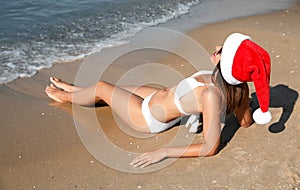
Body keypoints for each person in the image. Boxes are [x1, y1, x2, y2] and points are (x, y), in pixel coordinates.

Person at [45, 33, 271, 168]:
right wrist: (247, 104)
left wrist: (165, 152)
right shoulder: (238, 86)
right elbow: (245, 121)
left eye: (222, 50)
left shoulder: (211, 95)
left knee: (104, 88)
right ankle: (78, 90)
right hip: (158, 97)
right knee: (118, 89)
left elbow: (210, 147)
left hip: (147, 117)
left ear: (228, 64)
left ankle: (67, 96)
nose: (216, 48)